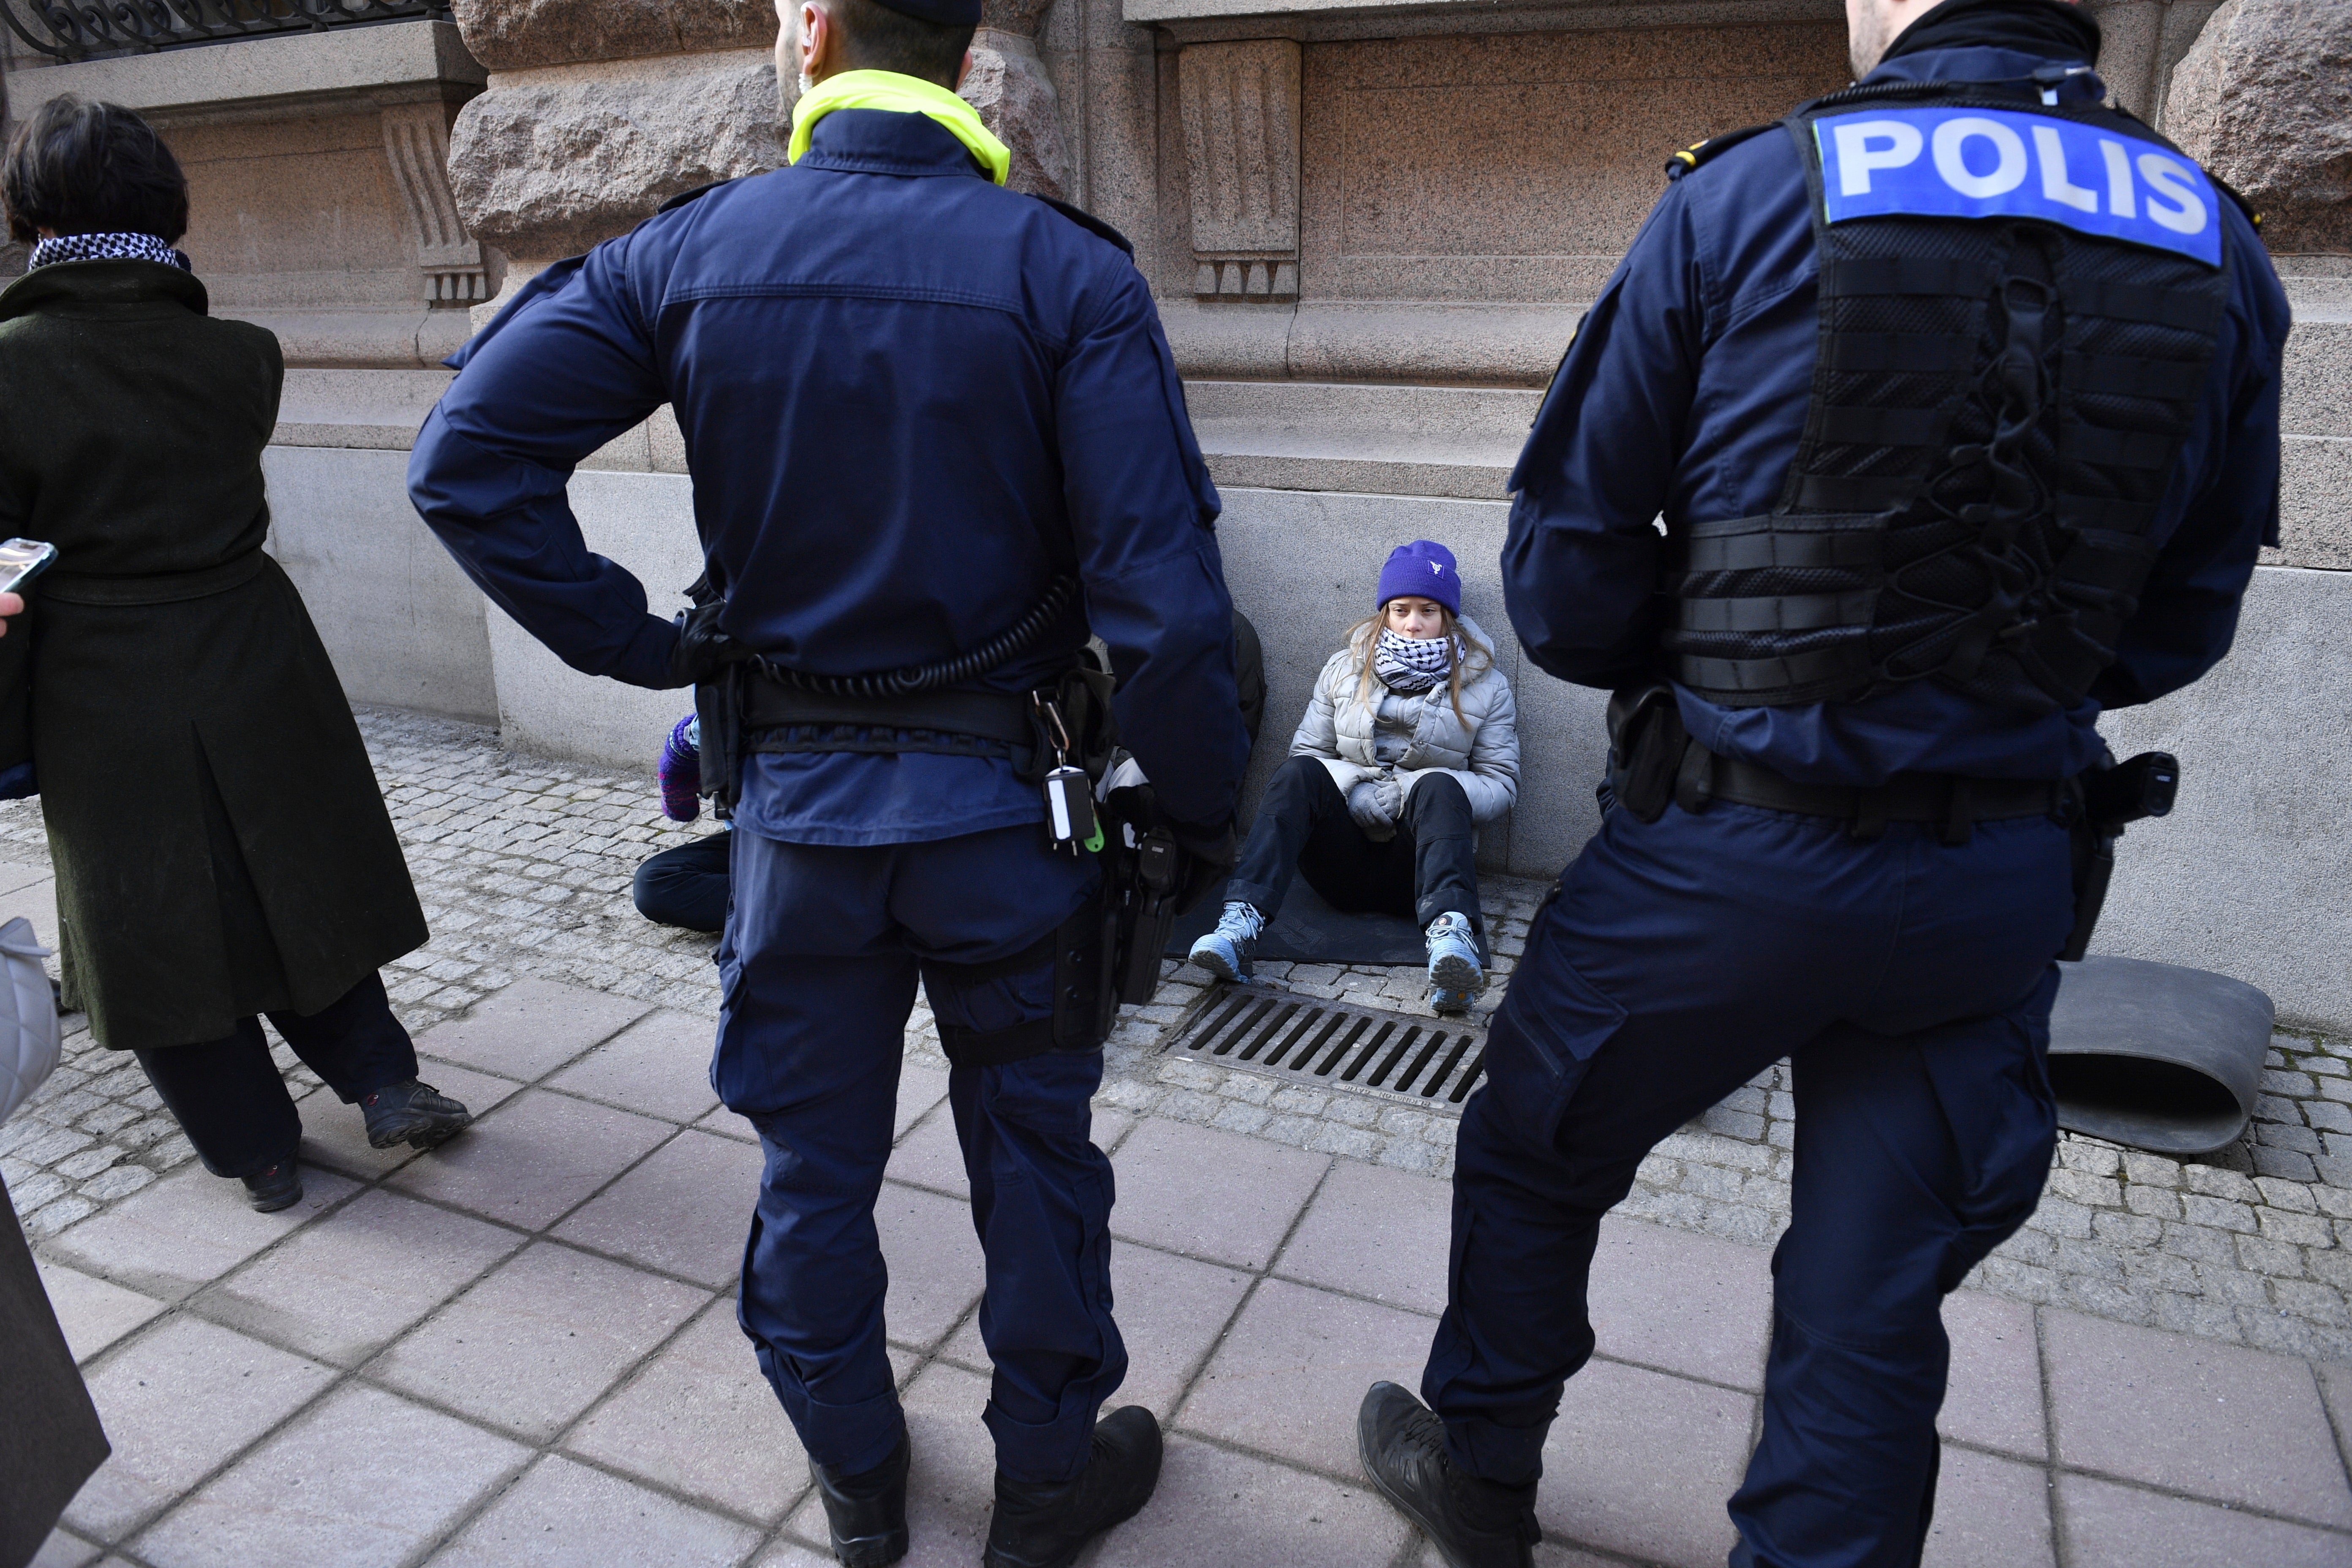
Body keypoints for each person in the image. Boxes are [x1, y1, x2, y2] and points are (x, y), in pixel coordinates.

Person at [1355, 0, 2292, 1564]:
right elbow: (2183, 621)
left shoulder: (1746, 195)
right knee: (1870, 1300)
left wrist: (1741, 671)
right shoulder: (2218, 242)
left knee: (1536, 1147)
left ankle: (1481, 1472)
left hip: (1723, 853)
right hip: (1996, 874)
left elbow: (1569, 587)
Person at [405, 0, 1248, 1561]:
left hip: (799, 828)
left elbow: (463, 462)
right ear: (969, 55)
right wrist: (1201, 816)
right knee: (1038, 1158)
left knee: (812, 1168)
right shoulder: (1066, 271)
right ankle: (1044, 1481)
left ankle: (856, 1474)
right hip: (1012, 826)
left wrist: (644, 648)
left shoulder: (686, 250)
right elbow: (1171, 605)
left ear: (809, 34)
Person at [0, 97, 469, 1216]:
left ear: (32, 216)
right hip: (254, 645)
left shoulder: (8, 370)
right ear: (167, 206)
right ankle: (383, 1080)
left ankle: (258, 1151)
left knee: (148, 915)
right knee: (299, 871)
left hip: (97, 674)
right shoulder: (242, 355)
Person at [1190, 542, 1518, 1014]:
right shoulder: (1344, 669)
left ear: (1448, 617)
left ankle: (1452, 946)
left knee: (1441, 784)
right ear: (1385, 612)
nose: (1413, 623)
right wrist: (1356, 789)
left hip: (1421, 869)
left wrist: (1406, 789)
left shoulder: (1489, 685)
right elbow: (1308, 754)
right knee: (1297, 774)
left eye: (1428, 611)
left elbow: (1501, 784)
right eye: (1401, 610)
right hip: (1339, 864)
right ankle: (1239, 926)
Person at [632, 713, 732, 933]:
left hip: (805, 836)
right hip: (759, 840)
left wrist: (680, 749)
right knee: (654, 884)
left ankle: (794, 908)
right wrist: (682, 745)